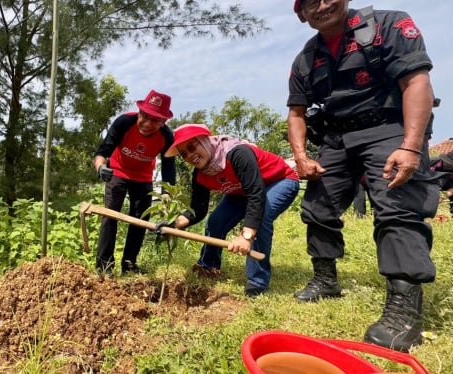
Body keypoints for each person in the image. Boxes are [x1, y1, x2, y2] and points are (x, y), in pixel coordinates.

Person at [288, 0, 440, 352]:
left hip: (388, 128)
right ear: (302, 14)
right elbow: (296, 111)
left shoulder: (390, 25)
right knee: (317, 206)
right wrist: (301, 157)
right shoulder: (306, 58)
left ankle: (403, 308)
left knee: (396, 205)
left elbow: (416, 81)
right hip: (337, 136)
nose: (321, 5)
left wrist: (411, 146)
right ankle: (325, 280)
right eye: (310, 2)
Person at [163, 124, 300, 297]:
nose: (190, 155)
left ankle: (257, 281)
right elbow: (198, 207)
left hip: (278, 180)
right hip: (241, 191)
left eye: (192, 147)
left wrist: (246, 236)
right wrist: (175, 225)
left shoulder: (237, 153)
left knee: (261, 216)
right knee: (215, 222)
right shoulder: (200, 174)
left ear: (205, 141)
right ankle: (209, 267)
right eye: (184, 154)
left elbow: (255, 193)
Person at [93, 90, 176, 277]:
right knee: (110, 215)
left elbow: (169, 170)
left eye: (155, 120)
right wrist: (100, 167)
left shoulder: (167, 137)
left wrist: (166, 195)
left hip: (143, 176)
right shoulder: (124, 122)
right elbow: (102, 151)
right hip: (118, 170)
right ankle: (104, 267)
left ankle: (129, 265)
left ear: (163, 122)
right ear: (139, 112)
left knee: (140, 220)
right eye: (144, 116)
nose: (147, 124)